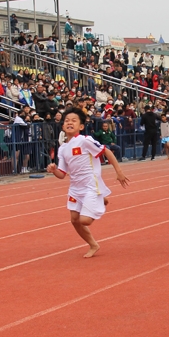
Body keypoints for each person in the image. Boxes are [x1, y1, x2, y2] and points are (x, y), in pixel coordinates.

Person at [46, 107, 129, 258]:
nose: (69, 123)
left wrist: (119, 172)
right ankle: (93, 244)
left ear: (81, 126)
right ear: (63, 126)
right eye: (67, 121)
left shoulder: (85, 141)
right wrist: (53, 170)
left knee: (85, 220)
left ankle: (99, 197)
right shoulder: (63, 148)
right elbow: (62, 174)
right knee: (74, 220)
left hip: (90, 185)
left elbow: (107, 151)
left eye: (74, 120)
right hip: (75, 188)